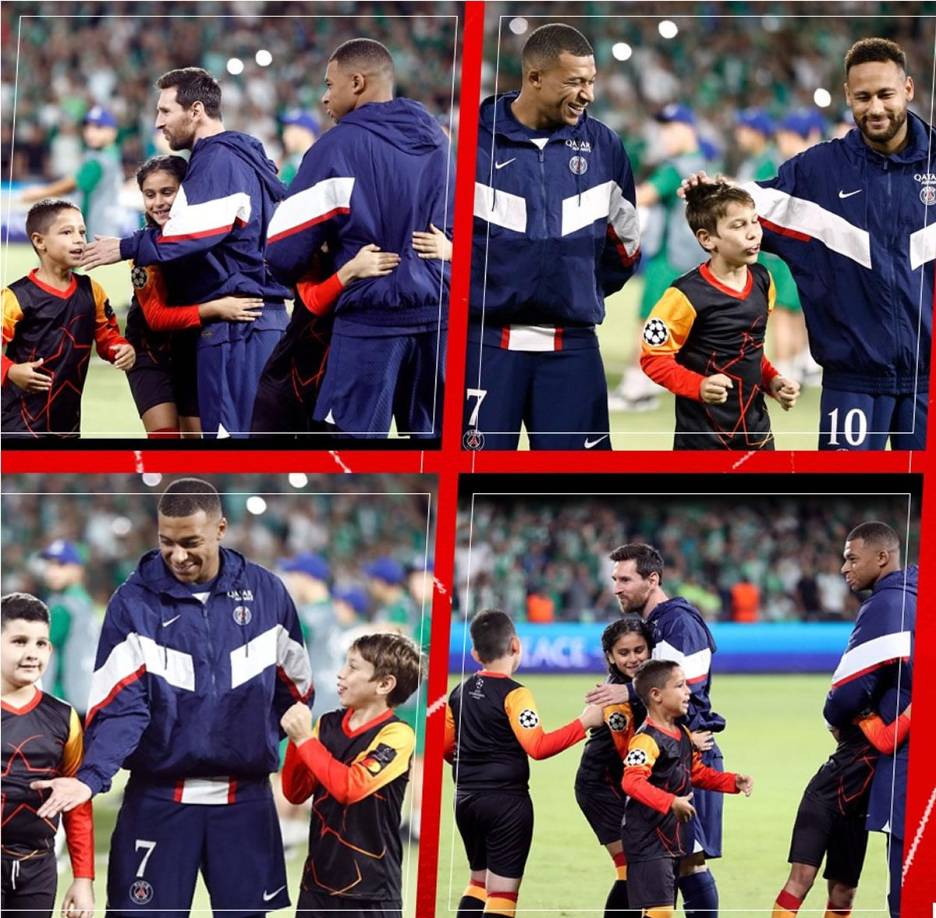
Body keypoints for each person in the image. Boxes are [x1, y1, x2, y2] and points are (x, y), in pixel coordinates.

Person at [30, 478, 314, 917]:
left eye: (190, 542)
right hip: (158, 801)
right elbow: (120, 707)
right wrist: (91, 777)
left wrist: (243, 740)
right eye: (166, 542)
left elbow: (296, 692)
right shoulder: (132, 604)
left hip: (245, 803)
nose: (178, 555)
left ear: (220, 528)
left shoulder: (267, 594)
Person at [686, 38, 934, 449]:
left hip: (933, 381)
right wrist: (710, 195)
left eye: (886, 94)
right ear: (847, 96)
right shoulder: (817, 171)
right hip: (852, 383)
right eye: (863, 97)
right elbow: (748, 206)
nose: (875, 108)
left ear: (908, 89)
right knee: (846, 508)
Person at [82, 67, 292, 439]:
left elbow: (191, 235)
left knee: (228, 441)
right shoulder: (247, 154)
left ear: (195, 110)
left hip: (238, 330)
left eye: (165, 111)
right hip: (261, 323)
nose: (158, 122)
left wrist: (124, 246)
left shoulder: (216, 161)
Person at [265, 38, 452, 440]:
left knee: (351, 453)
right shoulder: (440, 141)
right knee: (434, 452)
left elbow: (282, 249)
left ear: (357, 83)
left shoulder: (335, 148)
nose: (324, 97)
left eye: (329, 85)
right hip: (439, 325)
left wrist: (324, 261)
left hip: (370, 324)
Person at [466, 22, 640, 450]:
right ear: (535, 77)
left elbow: (626, 247)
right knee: (479, 486)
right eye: (575, 82)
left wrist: (573, 287)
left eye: (591, 82)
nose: (588, 94)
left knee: (575, 491)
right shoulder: (470, 144)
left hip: (573, 349)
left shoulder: (605, 147)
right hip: (485, 346)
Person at [587, 544, 725, 916]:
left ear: (653, 579)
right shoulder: (654, 625)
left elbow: (689, 687)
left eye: (625, 579)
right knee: (663, 861)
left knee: (690, 861)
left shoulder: (679, 621)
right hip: (664, 757)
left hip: (688, 753)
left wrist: (628, 690)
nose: (616, 587)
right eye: (614, 579)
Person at [444, 609, 603, 918]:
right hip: (505, 803)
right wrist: (584, 722)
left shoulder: (458, 691)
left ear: (476, 653)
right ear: (516, 645)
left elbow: (447, 747)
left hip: (465, 799)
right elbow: (538, 747)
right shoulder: (515, 694)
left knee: (478, 881)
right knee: (502, 893)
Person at [639, 181, 800, 450]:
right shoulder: (685, 294)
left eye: (754, 221)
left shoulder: (763, 279)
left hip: (757, 436)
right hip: (702, 442)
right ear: (706, 239)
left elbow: (748, 349)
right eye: (738, 226)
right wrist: (698, 386)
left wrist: (772, 380)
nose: (753, 233)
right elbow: (653, 359)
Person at [279, 632, 422, 918]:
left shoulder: (397, 735)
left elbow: (350, 787)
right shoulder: (327, 724)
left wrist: (305, 740)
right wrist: (297, 740)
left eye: (353, 667)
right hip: (317, 886)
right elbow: (295, 792)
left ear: (384, 684)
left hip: (371, 893)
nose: (341, 674)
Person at [124, 154, 265, 438]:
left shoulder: (211, 238)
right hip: (151, 354)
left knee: (198, 439)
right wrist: (217, 309)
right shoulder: (145, 251)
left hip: (194, 350)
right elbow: (155, 318)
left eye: (168, 192)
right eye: (149, 195)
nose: (158, 202)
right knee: (165, 437)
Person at [820, 522, 915, 918]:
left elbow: (846, 692)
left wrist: (847, 717)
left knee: (906, 885)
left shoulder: (886, 604)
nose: (844, 567)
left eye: (851, 558)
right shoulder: (920, 593)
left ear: (882, 557)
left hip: (909, 762)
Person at [621, 660, 752, 917]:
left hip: (672, 834)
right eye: (680, 685)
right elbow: (631, 781)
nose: (688, 692)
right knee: (661, 912)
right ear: (656, 695)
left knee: (662, 908)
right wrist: (671, 802)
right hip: (648, 838)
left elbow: (696, 773)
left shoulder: (680, 732)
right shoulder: (645, 740)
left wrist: (731, 782)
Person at [2, 198, 135, 438]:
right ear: (39, 241)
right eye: (66, 232)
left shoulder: (92, 291)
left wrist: (122, 349)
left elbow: (108, 339)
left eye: (81, 232)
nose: (78, 240)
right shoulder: (15, 297)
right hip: (16, 424)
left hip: (68, 425)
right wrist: (11, 371)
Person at [610, 104, 710, 413]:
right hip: (696, 258)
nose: (664, 136)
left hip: (670, 259)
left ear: (688, 130)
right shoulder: (704, 162)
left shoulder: (675, 168)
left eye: (671, 128)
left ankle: (635, 388)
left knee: (648, 322)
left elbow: (641, 197)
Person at [1, 593, 94, 918]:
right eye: (19, 641)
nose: (32, 653)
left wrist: (83, 878)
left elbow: (77, 803)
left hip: (38, 870)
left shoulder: (63, 717)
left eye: (41, 643)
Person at [772, 698, 910, 915]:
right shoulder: (866, 711)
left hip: (856, 812)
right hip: (823, 799)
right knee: (802, 879)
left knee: (844, 893)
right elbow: (884, 742)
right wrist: (912, 711)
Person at [574, 616, 653, 918]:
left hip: (618, 782)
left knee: (638, 867)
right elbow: (627, 749)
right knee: (631, 868)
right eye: (624, 653)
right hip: (601, 786)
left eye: (639, 650)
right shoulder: (618, 695)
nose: (633, 658)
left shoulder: (638, 688)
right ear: (610, 656)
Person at [733, 109, 813, 386]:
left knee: (781, 313)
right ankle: (796, 367)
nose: (739, 134)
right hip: (790, 249)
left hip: (778, 252)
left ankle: (786, 371)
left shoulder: (769, 162)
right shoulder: (771, 159)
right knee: (789, 313)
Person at [21, 105, 127, 238]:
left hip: (97, 230)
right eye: (87, 127)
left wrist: (40, 193)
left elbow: (72, 183)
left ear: (112, 132)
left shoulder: (100, 160)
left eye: (98, 127)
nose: (90, 132)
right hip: (101, 226)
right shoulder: (110, 153)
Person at [39, 539, 98, 719]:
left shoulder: (62, 606)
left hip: (62, 698)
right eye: (50, 565)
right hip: (84, 697)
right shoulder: (85, 601)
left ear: (77, 569)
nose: (52, 571)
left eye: (61, 565)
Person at [278, 110, 320, 187]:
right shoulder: (290, 164)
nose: (284, 136)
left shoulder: (323, 159)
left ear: (305, 132)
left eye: (289, 129)